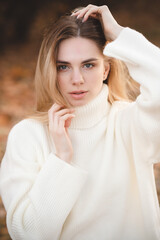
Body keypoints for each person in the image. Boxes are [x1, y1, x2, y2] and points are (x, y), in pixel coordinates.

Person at [0, 4, 160, 240]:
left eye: (88, 65)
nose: (77, 79)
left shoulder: (130, 124)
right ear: (51, 71)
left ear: (106, 69)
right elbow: (28, 233)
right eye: (63, 67)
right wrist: (61, 160)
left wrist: (119, 34)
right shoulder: (27, 136)